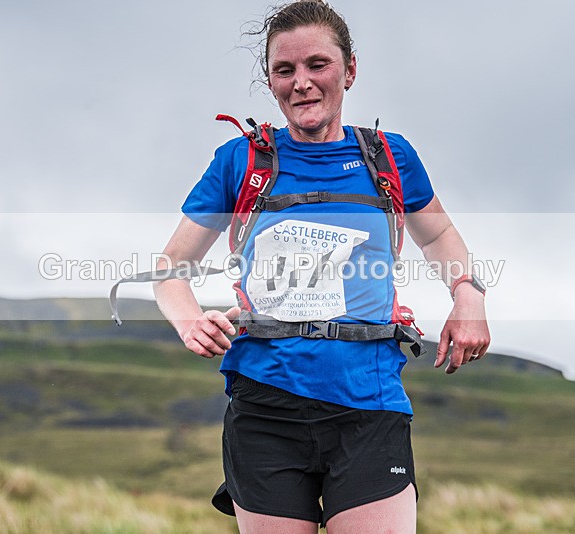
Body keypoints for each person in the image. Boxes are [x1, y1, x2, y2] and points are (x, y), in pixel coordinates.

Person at [153, 1, 490, 532]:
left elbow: (440, 234)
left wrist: (469, 296)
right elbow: (170, 270)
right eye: (284, 71)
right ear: (270, 81)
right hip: (264, 406)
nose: (301, 83)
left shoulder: (388, 157)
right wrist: (190, 320)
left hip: (370, 404)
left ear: (349, 70)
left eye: (318, 65)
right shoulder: (239, 162)